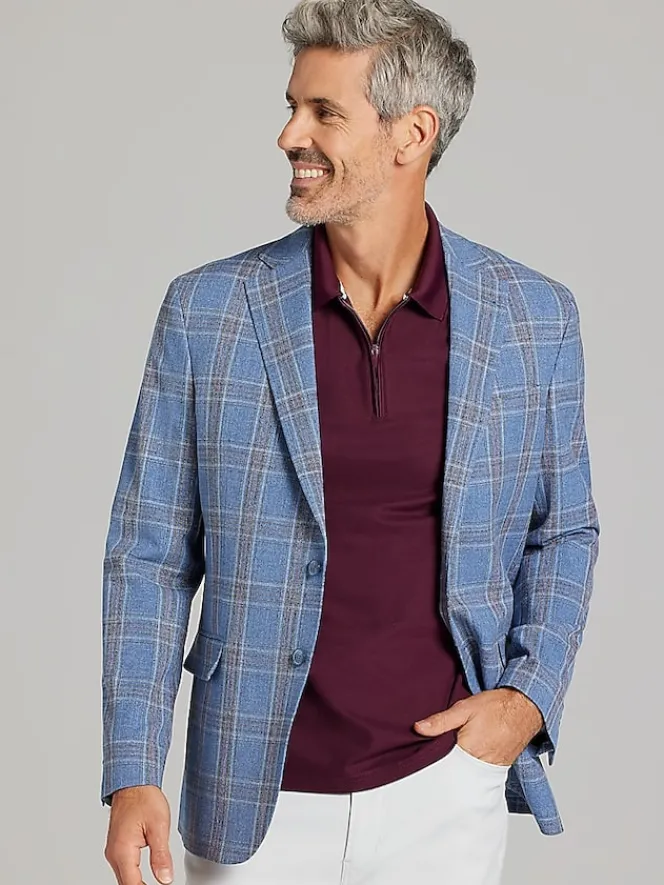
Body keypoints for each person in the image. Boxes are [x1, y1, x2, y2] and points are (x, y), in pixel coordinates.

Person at [101, 1, 600, 883]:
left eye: (324, 112)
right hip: (252, 793)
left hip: (445, 787)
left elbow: (564, 530)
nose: (289, 134)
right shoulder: (208, 311)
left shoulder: (534, 316)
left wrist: (527, 698)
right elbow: (149, 554)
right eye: (292, 106)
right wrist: (135, 767)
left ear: (413, 133)